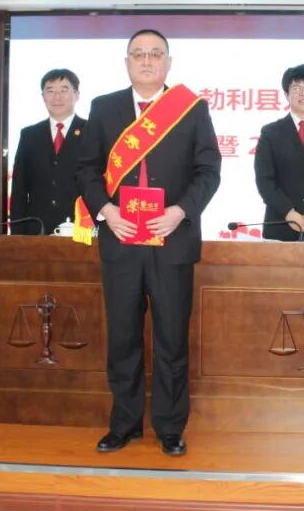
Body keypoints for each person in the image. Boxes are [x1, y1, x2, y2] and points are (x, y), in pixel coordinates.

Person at [77, 29, 221, 457]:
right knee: (123, 338)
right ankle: (124, 424)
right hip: (121, 238)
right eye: (138, 54)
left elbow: (209, 171)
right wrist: (107, 211)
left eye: (155, 54)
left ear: (168, 63)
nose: (146, 60)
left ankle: (170, 427)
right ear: (126, 62)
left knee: (171, 340)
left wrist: (180, 211)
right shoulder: (104, 107)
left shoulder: (191, 109)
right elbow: (86, 169)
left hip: (171, 240)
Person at [253, 64, 304, 241]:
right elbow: (264, 180)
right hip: (279, 225)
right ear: (286, 95)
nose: (303, 94)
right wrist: (288, 212)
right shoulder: (271, 133)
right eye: (296, 88)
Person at [10, 69, 87, 235]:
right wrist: (17, 233)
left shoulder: (91, 131)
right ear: (43, 96)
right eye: (50, 91)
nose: (57, 97)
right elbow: (19, 189)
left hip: (82, 228)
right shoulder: (29, 135)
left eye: (64, 90)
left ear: (77, 95)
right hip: (37, 229)